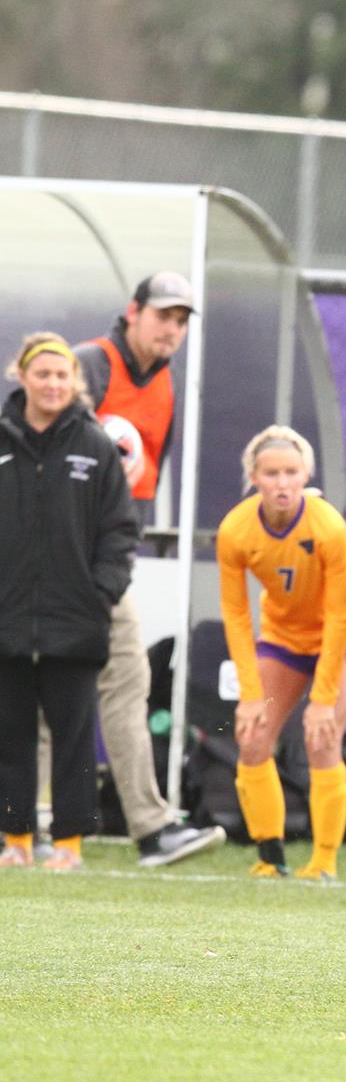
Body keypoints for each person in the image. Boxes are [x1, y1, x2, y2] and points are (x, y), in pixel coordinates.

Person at [70, 271, 225, 867]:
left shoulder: (163, 384)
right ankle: (22, 828)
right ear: (133, 312)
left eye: (182, 321)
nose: (172, 329)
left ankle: (152, 828)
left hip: (107, 563)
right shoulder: (90, 364)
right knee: (39, 690)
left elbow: (139, 486)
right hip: (56, 559)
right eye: (164, 315)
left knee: (127, 681)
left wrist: (117, 556)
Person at [0, 334, 139, 871]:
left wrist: (99, 592)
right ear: (23, 376)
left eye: (62, 376)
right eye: (43, 374)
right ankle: (14, 839)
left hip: (76, 620)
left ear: (74, 382)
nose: (53, 384)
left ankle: (69, 846)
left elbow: (121, 530)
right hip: (9, 620)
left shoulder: (95, 445)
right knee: (10, 732)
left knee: (75, 735)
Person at [217, 426, 346, 880]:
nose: (282, 482)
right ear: (254, 476)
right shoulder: (236, 529)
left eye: (291, 472)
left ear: (306, 473)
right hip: (285, 635)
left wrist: (323, 698)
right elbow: (235, 614)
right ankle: (271, 856)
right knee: (251, 736)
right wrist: (250, 693)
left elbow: (340, 614)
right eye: (272, 473)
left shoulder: (327, 526)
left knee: (322, 735)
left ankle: (323, 862)